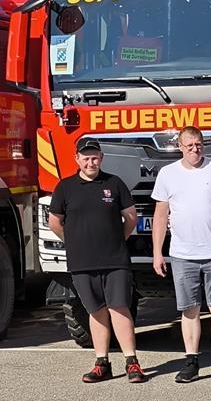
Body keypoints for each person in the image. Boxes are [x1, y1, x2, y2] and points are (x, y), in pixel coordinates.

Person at [48, 139, 146, 383]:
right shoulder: (65, 187)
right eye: (85, 158)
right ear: (77, 160)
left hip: (115, 260)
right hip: (82, 262)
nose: (90, 162)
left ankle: (132, 362)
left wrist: (117, 240)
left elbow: (130, 218)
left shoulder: (114, 183)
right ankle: (102, 363)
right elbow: (55, 222)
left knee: (119, 307)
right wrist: (74, 241)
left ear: (101, 158)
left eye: (94, 158)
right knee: (96, 310)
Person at [150, 126, 211, 384]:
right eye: (189, 146)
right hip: (182, 253)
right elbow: (160, 215)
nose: (195, 150)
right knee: (189, 309)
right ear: (179, 147)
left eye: (199, 144)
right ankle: (191, 362)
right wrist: (158, 252)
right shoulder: (168, 174)